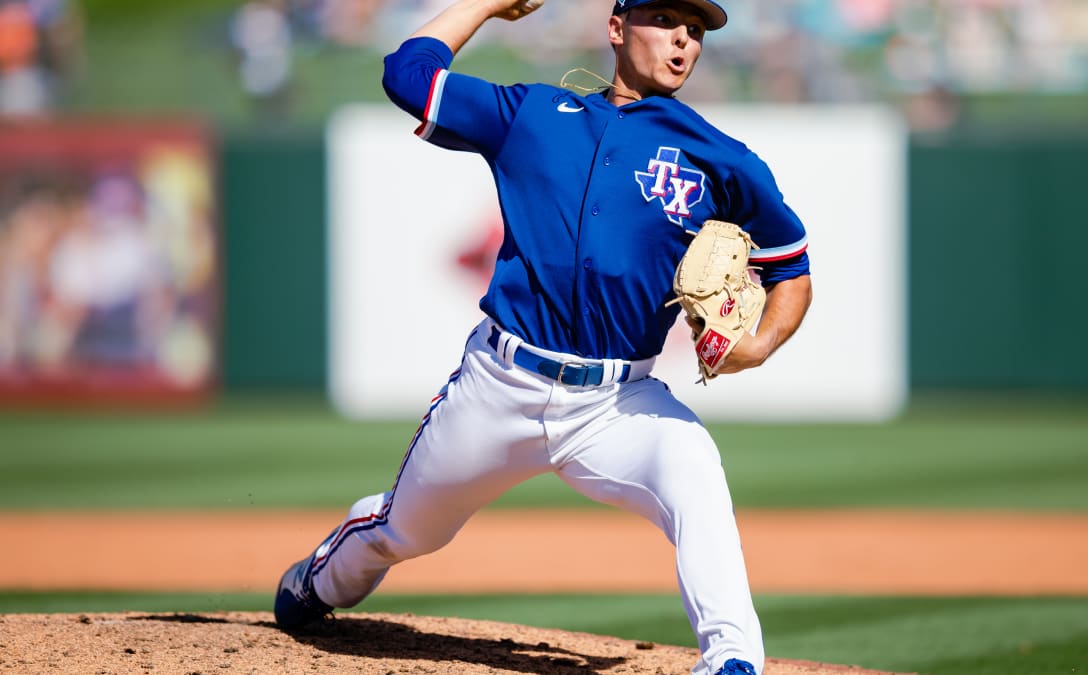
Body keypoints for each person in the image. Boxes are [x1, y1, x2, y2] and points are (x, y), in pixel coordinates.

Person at [274, 1, 813, 674]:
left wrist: (758, 345)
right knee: (407, 530)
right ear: (616, 28)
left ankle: (732, 659)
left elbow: (791, 262)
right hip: (501, 385)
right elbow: (407, 74)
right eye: (666, 19)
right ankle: (320, 579)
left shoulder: (719, 157)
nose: (684, 39)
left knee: (694, 467)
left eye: (696, 30)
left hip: (621, 403)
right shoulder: (533, 117)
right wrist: (488, 5)